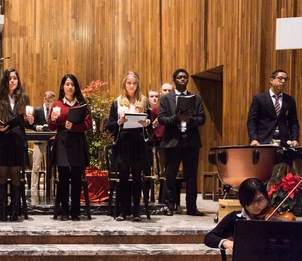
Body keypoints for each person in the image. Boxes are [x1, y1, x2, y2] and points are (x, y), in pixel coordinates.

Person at [158, 69, 206, 216]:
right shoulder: (166, 99)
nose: (182, 79)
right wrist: (176, 118)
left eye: (185, 77)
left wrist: (190, 120)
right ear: (174, 80)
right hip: (172, 141)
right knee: (170, 175)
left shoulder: (196, 98)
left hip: (190, 141)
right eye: (179, 77)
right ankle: (169, 206)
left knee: (191, 176)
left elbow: (202, 119)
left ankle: (192, 208)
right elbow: (161, 119)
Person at [0, 67, 33, 222]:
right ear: (5, 81)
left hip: (17, 142)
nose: (12, 81)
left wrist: (31, 121)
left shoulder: (24, 99)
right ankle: (2, 210)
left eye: (15, 78)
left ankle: (15, 210)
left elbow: (27, 123)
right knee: (1, 177)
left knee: (15, 177)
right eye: (9, 78)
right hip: (2, 141)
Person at [106, 72, 151, 222]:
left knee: (137, 177)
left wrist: (147, 123)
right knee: (123, 178)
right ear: (124, 85)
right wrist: (119, 122)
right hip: (123, 142)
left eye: (134, 83)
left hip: (138, 142)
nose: (132, 86)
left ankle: (136, 212)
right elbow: (109, 125)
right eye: (129, 83)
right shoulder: (117, 102)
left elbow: (150, 121)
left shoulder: (143, 101)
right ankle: (122, 211)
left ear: (138, 85)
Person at [49, 75, 92, 221]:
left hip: (77, 141)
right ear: (62, 87)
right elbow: (51, 127)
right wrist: (53, 119)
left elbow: (87, 125)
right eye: (67, 84)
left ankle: (75, 211)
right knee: (63, 177)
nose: (70, 87)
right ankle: (64, 211)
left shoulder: (81, 104)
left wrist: (74, 126)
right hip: (62, 141)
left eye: (72, 84)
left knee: (76, 178)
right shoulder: (57, 104)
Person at [204, 178, 269, 252]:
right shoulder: (234, 218)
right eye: (251, 202)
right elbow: (209, 237)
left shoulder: (274, 216)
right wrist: (225, 242)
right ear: (243, 202)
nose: (257, 205)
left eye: (260, 199)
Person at [247, 70, 299, 148]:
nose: (283, 81)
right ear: (271, 80)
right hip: (263, 141)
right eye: (280, 78)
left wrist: (294, 139)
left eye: (285, 79)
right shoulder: (259, 98)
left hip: (284, 142)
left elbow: (293, 122)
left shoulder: (290, 100)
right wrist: (254, 139)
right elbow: (252, 121)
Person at [30, 91, 56, 200]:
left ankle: (52, 190)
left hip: (52, 141)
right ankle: (33, 191)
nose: (49, 102)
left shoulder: (55, 111)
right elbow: (31, 125)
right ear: (44, 99)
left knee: (53, 167)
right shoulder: (37, 110)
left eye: (51, 101)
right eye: (47, 100)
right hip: (39, 140)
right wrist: (37, 127)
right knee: (36, 166)